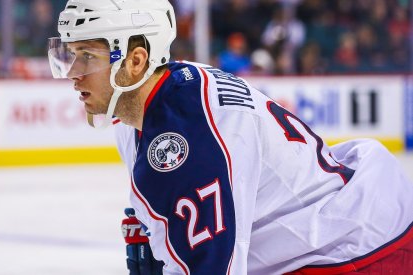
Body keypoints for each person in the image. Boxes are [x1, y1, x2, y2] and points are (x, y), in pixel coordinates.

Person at [48, 1, 413, 274]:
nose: (73, 73)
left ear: (136, 61)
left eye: (88, 56)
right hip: (353, 221)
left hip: (358, 252)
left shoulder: (183, 146)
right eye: (70, 54)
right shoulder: (154, 97)